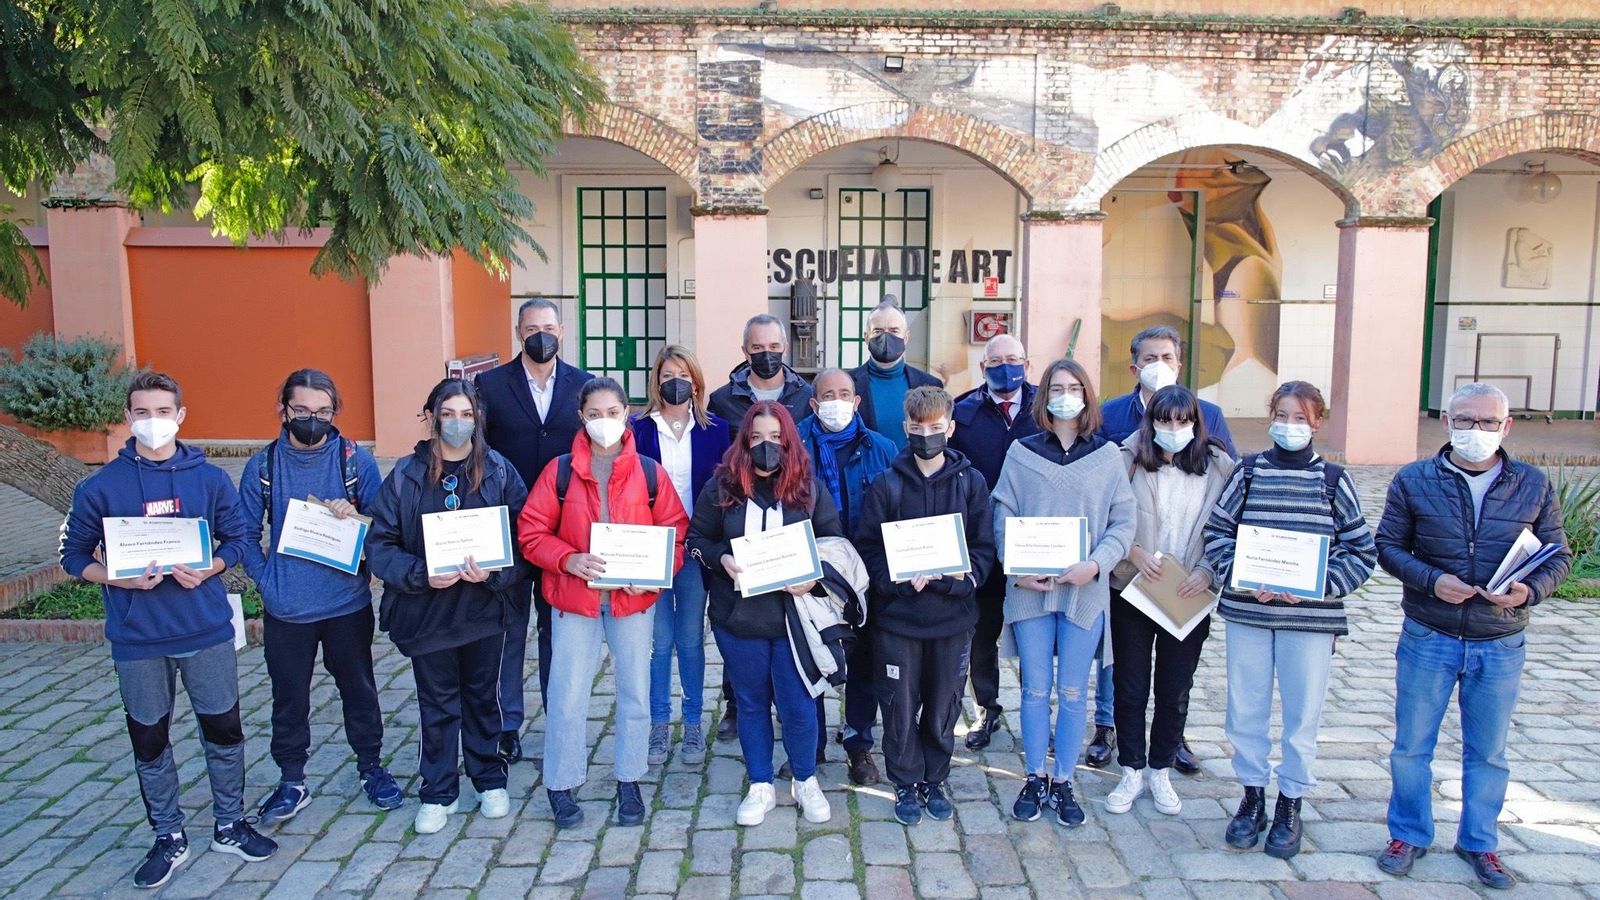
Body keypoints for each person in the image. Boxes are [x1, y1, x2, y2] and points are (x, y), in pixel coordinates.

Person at [59, 372, 276, 889]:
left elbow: (238, 536)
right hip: (137, 638)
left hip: (204, 629)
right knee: (150, 738)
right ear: (128, 418)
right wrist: (115, 575)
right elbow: (72, 556)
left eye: (162, 412)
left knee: (223, 729)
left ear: (180, 416)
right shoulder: (100, 487)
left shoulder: (209, 480)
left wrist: (213, 568)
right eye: (142, 412)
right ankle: (168, 834)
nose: (152, 422)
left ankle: (230, 823)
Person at [1373, 383, 1572, 890]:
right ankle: (1409, 833)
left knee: (1487, 751)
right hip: (1429, 632)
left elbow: (1558, 553)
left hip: (1499, 638)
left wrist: (1528, 592)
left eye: (1486, 422)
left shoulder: (1532, 483)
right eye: (1465, 420)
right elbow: (1389, 546)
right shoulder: (1415, 479)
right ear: (1447, 422)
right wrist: (1431, 580)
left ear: (1505, 428)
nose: (1475, 431)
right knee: (1412, 745)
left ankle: (1480, 842)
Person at [1199, 381, 1376, 860]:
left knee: (1302, 715)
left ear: (1317, 422)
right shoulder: (1249, 472)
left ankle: (1291, 801)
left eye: (1300, 417)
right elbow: (1216, 533)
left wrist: (1316, 585)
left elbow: (1361, 550)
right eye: (1281, 414)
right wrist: (1238, 574)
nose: (1289, 425)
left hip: (1309, 621)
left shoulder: (1334, 481)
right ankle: (1252, 795)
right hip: (1250, 613)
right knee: (1246, 709)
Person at [520, 377, 689, 829]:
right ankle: (561, 783)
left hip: (632, 604)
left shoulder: (650, 472)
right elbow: (531, 532)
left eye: (612, 413)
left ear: (626, 413)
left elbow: (675, 532)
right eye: (594, 414)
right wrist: (567, 558)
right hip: (575, 601)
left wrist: (652, 579)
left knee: (634, 693)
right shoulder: (559, 471)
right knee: (567, 694)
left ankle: (629, 778)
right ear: (581, 417)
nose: (603, 422)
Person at [367, 378, 533, 834]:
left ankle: (488, 779)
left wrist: (498, 574)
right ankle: (438, 791)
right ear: (433, 415)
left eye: (466, 415)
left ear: (477, 418)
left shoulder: (499, 471)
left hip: (483, 611)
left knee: (483, 698)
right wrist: (421, 573)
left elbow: (525, 541)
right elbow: (379, 544)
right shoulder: (405, 475)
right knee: (437, 704)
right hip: (429, 613)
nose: (457, 423)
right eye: (448, 414)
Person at [239, 369, 401, 824]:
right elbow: (243, 534)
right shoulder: (263, 467)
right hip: (287, 608)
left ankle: (371, 767)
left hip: (346, 605)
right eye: (303, 411)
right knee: (288, 696)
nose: (313, 419)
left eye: (324, 412)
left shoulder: (355, 461)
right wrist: (266, 581)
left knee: (359, 689)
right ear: (283, 410)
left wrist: (357, 522)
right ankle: (292, 779)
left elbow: (384, 524)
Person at [992, 359, 1135, 828]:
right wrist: (1016, 567)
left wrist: (1096, 565)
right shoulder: (1021, 452)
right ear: (1044, 396)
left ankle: (1065, 780)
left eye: (1075, 387)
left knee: (1073, 692)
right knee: (1035, 689)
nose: (1066, 395)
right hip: (1031, 590)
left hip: (1084, 591)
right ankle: (1034, 776)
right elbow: (1002, 514)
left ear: (1088, 396)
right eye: (1057, 387)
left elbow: (1123, 521)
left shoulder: (1108, 456)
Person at [1092, 324, 1238, 772]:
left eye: (1168, 357)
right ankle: (1112, 734)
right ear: (1134, 365)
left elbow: (1229, 509)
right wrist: (1129, 552)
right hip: (1133, 582)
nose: (1174, 427)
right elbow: (1104, 502)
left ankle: (1169, 749)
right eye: (1150, 358)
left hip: (1186, 587)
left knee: (1175, 684)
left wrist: (1210, 570)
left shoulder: (1211, 429)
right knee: (1126, 680)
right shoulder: (1114, 422)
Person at [688, 402, 841, 827]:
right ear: (744, 442)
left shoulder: (808, 489)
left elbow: (834, 543)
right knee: (751, 703)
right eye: (757, 438)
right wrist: (721, 560)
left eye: (775, 438)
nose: (766, 446)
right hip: (739, 617)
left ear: (788, 441)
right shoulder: (721, 487)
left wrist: (814, 577)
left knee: (799, 703)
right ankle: (760, 783)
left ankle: (805, 779)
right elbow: (695, 538)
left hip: (795, 619)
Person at [854, 386, 996, 826]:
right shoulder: (887, 484)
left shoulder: (971, 483)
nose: (927, 436)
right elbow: (870, 550)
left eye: (936, 429)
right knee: (898, 705)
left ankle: (934, 777)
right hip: (898, 621)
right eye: (918, 429)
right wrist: (895, 582)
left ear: (950, 429)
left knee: (942, 705)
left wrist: (960, 580)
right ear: (906, 429)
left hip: (952, 620)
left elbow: (984, 549)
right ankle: (904, 780)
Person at [475, 297, 593, 763]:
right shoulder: (489, 384)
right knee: (507, 629)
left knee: (556, 631)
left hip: (562, 532)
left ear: (561, 330)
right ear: (518, 331)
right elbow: (480, 452)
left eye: (548, 326)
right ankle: (506, 724)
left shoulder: (582, 385)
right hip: (505, 525)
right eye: (531, 327)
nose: (540, 334)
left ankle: (559, 718)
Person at [706, 313, 815, 740]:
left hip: (789, 511)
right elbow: (721, 457)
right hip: (741, 516)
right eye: (757, 348)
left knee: (788, 623)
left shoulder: (806, 394)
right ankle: (737, 703)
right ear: (744, 350)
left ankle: (796, 705)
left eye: (773, 346)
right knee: (740, 618)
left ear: (785, 346)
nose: (765, 354)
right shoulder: (722, 399)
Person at [796, 367, 897, 785]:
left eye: (845, 393)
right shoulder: (793, 447)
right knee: (809, 656)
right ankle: (812, 744)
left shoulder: (884, 448)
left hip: (866, 572)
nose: (836, 401)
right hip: (809, 574)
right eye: (827, 395)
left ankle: (859, 744)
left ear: (856, 402)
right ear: (815, 404)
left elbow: (898, 509)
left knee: (865, 661)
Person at [631, 347, 732, 768]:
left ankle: (692, 723)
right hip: (650, 548)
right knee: (659, 642)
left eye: (684, 375)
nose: (677, 382)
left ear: (696, 382)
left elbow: (725, 490)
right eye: (668, 374)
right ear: (657, 380)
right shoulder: (636, 430)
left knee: (690, 639)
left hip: (693, 549)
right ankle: (658, 723)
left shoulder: (716, 430)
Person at [950, 333, 1040, 751]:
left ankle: (1039, 713)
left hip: (1036, 544)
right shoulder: (963, 411)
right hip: (982, 542)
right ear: (983, 366)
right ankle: (986, 707)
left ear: (1028, 363)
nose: (1006, 367)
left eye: (1014, 359)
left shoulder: (1046, 408)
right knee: (981, 633)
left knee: (1035, 633)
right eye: (996, 361)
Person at [847, 301, 942, 451]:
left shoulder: (931, 385)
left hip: (914, 472)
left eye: (894, 331)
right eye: (878, 331)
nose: (886, 337)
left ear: (906, 337)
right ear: (866, 337)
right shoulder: (848, 384)